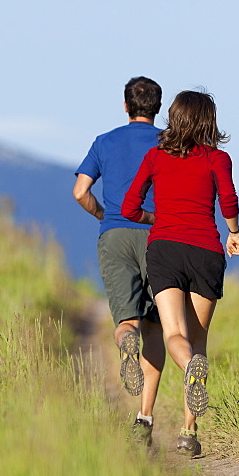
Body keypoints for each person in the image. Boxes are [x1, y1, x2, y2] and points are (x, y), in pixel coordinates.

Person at [121, 89, 239, 457]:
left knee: (174, 333)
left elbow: (129, 208)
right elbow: (229, 201)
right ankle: (188, 434)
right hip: (206, 250)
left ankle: (186, 369)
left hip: (165, 251)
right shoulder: (218, 158)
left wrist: (157, 219)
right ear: (209, 121)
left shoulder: (156, 156)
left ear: (173, 118)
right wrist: (235, 234)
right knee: (199, 340)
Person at [73, 76, 167, 447]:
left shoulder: (104, 142)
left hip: (114, 233)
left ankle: (125, 341)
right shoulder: (168, 142)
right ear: (158, 108)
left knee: (126, 321)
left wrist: (102, 215)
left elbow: (80, 191)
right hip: (159, 236)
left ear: (125, 106)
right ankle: (144, 417)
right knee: (157, 329)